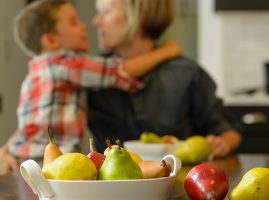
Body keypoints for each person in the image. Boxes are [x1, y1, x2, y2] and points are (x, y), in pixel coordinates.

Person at [0, 0, 180, 175]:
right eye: (73, 22)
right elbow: (119, 71)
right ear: (50, 40)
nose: (85, 25)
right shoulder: (64, 64)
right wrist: (165, 52)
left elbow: (29, 127)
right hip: (46, 162)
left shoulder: (37, 71)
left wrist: (7, 149)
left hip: (23, 160)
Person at [87, 0, 242, 157]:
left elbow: (229, 132)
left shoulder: (187, 74)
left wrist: (221, 144)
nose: (96, 21)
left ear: (139, 15)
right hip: (109, 181)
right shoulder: (91, 75)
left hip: (176, 179)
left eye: (106, 11)